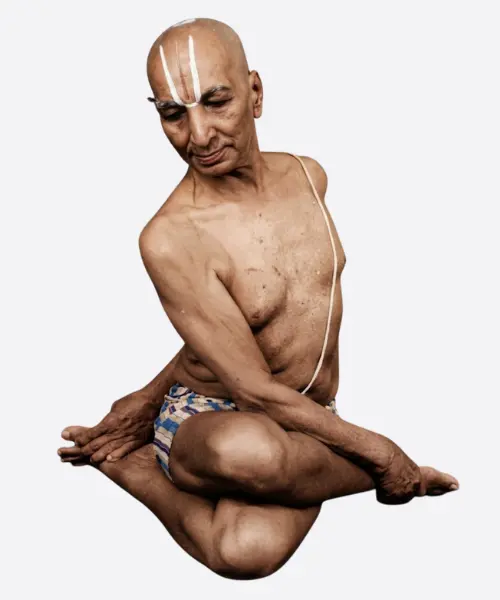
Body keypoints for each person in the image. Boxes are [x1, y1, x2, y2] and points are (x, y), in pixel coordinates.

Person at [57, 17, 459, 580]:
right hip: (214, 422)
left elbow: (251, 326)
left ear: (256, 93)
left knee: (245, 552)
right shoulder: (170, 237)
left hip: (306, 415)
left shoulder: (309, 176)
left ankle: (146, 463)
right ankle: (153, 464)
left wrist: (143, 398)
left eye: (216, 102)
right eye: (173, 114)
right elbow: (251, 389)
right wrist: (384, 456)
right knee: (252, 452)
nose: (198, 136)